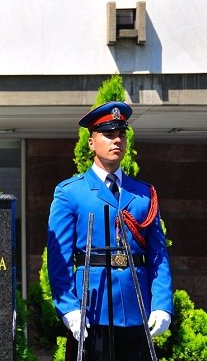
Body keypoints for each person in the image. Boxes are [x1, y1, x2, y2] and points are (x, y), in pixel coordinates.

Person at [46, 101, 173, 361]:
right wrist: (69, 307)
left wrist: (161, 304)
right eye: (109, 134)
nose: (117, 140)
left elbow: (158, 255)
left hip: (137, 306)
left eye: (121, 134)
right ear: (91, 142)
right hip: (93, 308)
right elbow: (59, 259)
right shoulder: (70, 192)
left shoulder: (143, 194)